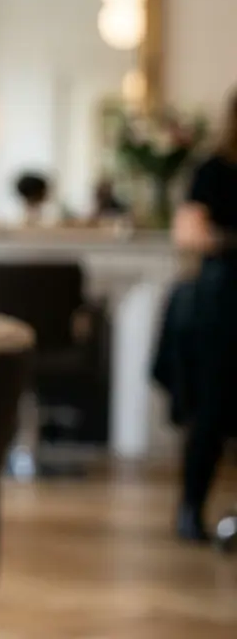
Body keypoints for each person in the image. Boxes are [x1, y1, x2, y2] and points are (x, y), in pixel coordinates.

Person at [170, 88, 237, 542]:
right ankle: (191, 506)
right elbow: (189, 234)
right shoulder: (213, 170)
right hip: (225, 302)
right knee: (212, 409)